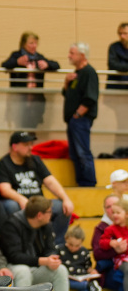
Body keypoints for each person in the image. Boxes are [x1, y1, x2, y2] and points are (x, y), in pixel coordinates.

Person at [0, 131, 74, 242]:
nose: (31, 147)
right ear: (14, 147)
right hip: (19, 203)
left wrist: (66, 198)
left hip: (39, 203)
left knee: (62, 207)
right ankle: (19, 243)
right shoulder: (4, 163)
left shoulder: (35, 160)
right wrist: (21, 199)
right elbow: (4, 189)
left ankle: (54, 244)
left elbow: (50, 181)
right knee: (11, 206)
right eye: (26, 145)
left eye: (31, 144)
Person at [0, 195, 69, 291]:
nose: (51, 214)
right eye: (49, 212)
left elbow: (50, 248)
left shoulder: (47, 225)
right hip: (13, 268)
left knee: (61, 270)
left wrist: (52, 258)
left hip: (36, 268)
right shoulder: (12, 225)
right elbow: (14, 256)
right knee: (23, 271)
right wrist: (43, 261)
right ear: (39, 215)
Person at [1, 31, 60, 129]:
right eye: (31, 43)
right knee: (19, 127)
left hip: (35, 99)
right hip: (19, 99)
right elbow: (5, 65)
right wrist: (17, 62)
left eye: (36, 43)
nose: (34, 46)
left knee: (33, 127)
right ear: (24, 44)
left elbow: (56, 65)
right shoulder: (16, 55)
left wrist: (47, 64)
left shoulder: (39, 57)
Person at [62, 42, 98, 187]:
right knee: (75, 154)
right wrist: (66, 82)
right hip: (73, 120)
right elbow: (67, 94)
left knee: (83, 153)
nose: (69, 56)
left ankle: (89, 183)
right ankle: (81, 182)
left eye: (72, 53)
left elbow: (90, 97)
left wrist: (77, 115)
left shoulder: (89, 72)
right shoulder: (76, 74)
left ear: (82, 55)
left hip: (80, 120)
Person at [92, 193, 127, 291]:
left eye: (115, 206)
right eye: (108, 207)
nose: (112, 210)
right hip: (110, 270)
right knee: (123, 278)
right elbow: (97, 253)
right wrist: (115, 250)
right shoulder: (102, 228)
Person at [58, 225, 101, 291]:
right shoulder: (59, 249)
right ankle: (89, 285)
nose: (73, 248)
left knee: (85, 289)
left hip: (81, 278)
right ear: (66, 239)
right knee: (84, 286)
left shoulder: (84, 252)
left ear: (82, 242)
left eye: (77, 246)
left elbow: (87, 267)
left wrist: (92, 272)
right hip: (65, 279)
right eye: (71, 245)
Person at [106, 22, 128, 90]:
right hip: (115, 85)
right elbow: (112, 64)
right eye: (120, 33)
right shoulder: (114, 47)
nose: (122, 36)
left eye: (125, 33)